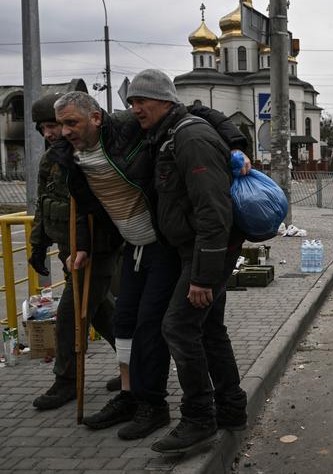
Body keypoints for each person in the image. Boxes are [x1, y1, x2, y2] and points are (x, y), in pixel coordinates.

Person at [55, 89, 247, 441]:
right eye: (58, 124)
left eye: (72, 122)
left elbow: (212, 209)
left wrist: (237, 144)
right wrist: (81, 245)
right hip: (139, 245)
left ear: (96, 118)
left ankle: (171, 408)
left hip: (173, 247)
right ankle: (146, 399)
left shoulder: (143, 130)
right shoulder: (71, 155)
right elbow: (82, 203)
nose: (64, 131)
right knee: (138, 323)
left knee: (169, 327)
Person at [123, 69, 247, 454]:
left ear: (164, 100)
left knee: (177, 327)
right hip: (196, 251)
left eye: (141, 101)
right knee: (208, 330)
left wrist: (203, 277)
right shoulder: (167, 136)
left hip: (205, 253)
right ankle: (231, 407)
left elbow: (213, 211)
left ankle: (199, 418)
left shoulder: (189, 137)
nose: (135, 108)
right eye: (131, 102)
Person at [28, 92, 121, 410]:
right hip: (68, 251)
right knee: (105, 315)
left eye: (54, 125)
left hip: (93, 250)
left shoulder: (86, 153)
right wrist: (37, 244)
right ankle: (135, 367)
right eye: (44, 127)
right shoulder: (50, 158)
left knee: (70, 316)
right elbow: (43, 203)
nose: (50, 133)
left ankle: (66, 381)